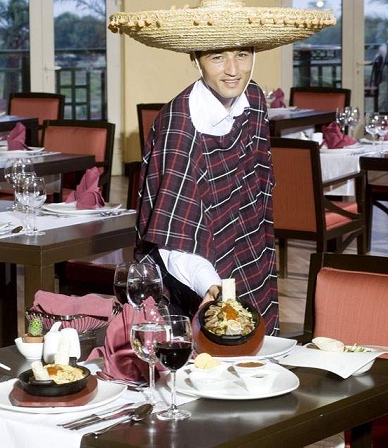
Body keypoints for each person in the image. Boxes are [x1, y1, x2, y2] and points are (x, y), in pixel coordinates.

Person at [108, 1, 335, 336]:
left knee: (256, 349)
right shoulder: (179, 126)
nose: (233, 70)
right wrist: (211, 286)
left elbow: (257, 190)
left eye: (242, 54)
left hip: (250, 252)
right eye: (217, 57)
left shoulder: (254, 100)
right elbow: (172, 236)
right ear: (195, 58)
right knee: (202, 352)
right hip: (190, 275)